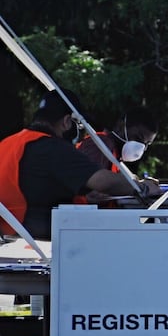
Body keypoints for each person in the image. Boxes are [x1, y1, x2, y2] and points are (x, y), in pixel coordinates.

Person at [0, 90, 156, 240]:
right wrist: (143, 188)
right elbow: (102, 181)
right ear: (68, 121)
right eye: (78, 125)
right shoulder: (51, 148)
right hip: (31, 239)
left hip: (8, 235)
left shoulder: (9, 143)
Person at [77, 106, 158, 173]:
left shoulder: (115, 156)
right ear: (121, 126)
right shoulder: (101, 145)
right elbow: (91, 183)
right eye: (138, 138)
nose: (142, 147)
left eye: (147, 144)